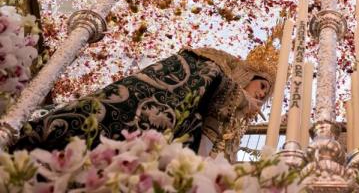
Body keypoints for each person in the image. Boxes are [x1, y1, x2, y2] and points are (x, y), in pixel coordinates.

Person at [12, 46, 276, 159]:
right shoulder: (216, 66)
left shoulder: (234, 122)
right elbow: (196, 77)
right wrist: (238, 96)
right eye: (262, 85)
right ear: (247, 74)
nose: (263, 95)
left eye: (267, 95)